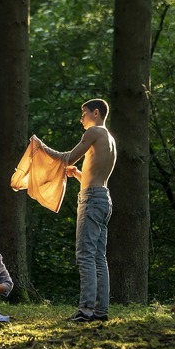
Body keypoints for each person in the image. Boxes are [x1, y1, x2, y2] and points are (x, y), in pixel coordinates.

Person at [34, 98, 117, 323]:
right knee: (99, 257)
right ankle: (100, 312)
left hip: (91, 200)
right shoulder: (110, 139)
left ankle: (86, 311)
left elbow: (66, 157)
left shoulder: (93, 133)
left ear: (96, 112)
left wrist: (40, 147)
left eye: (84, 113)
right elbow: (96, 176)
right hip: (103, 198)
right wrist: (78, 174)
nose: (81, 118)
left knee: (85, 256)